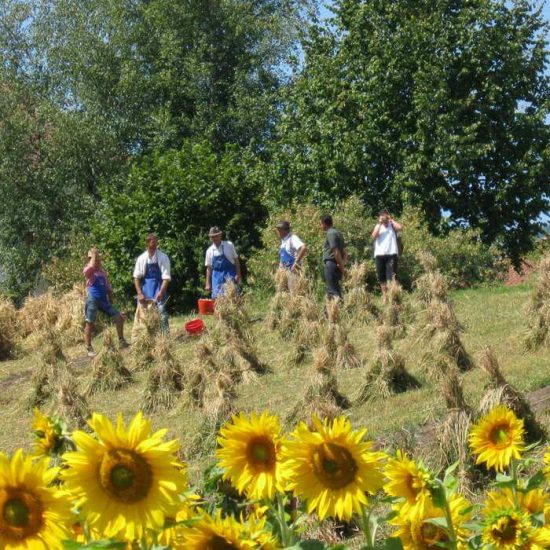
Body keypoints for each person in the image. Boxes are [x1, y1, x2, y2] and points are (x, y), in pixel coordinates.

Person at [83, 246, 128, 357]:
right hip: (93, 300)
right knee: (89, 323)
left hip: (103, 300)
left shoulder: (102, 272)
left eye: (99, 259)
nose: (98, 261)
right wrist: (93, 254)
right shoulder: (89, 270)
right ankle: (89, 348)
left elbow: (108, 288)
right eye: (96, 259)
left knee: (119, 317)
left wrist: (112, 300)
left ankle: (121, 341)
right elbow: (90, 267)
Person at [133, 233, 171, 333]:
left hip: (159, 287)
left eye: (155, 245)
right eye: (151, 245)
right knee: (144, 316)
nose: (153, 247)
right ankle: (146, 337)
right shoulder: (141, 259)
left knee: (162, 312)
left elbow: (166, 278)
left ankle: (165, 337)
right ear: (147, 244)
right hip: (145, 290)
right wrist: (140, 293)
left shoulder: (163, 257)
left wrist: (161, 292)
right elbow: (136, 278)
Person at [372, 209, 403, 302]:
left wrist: (391, 220)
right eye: (381, 216)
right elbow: (374, 235)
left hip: (392, 253)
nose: (383, 218)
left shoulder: (392, 225)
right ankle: (385, 296)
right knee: (381, 277)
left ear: (388, 216)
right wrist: (380, 223)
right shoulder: (378, 226)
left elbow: (400, 228)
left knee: (392, 276)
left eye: (385, 216)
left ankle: (394, 295)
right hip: (379, 254)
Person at [205, 226, 241, 298]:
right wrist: (207, 283)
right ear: (211, 238)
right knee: (218, 299)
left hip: (229, 276)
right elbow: (209, 269)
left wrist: (238, 274)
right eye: (212, 237)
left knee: (232, 297)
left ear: (220, 235)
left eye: (216, 236)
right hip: (217, 279)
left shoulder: (229, 245)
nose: (215, 238)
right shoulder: (209, 251)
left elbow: (236, 261)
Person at [276, 220, 307, 291]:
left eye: (278, 230)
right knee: (283, 294)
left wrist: (296, 264)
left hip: (293, 271)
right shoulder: (283, 241)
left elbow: (303, 248)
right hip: (284, 272)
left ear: (283, 230)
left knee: (294, 293)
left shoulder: (293, 238)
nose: (277, 232)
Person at [320, 214, 346, 299]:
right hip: (336, 264)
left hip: (331, 264)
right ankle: (337, 310)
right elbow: (345, 253)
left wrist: (341, 267)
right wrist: (342, 264)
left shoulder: (330, 233)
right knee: (336, 289)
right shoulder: (338, 233)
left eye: (321, 224)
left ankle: (333, 311)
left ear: (324, 223)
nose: (320, 226)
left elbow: (336, 251)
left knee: (332, 291)